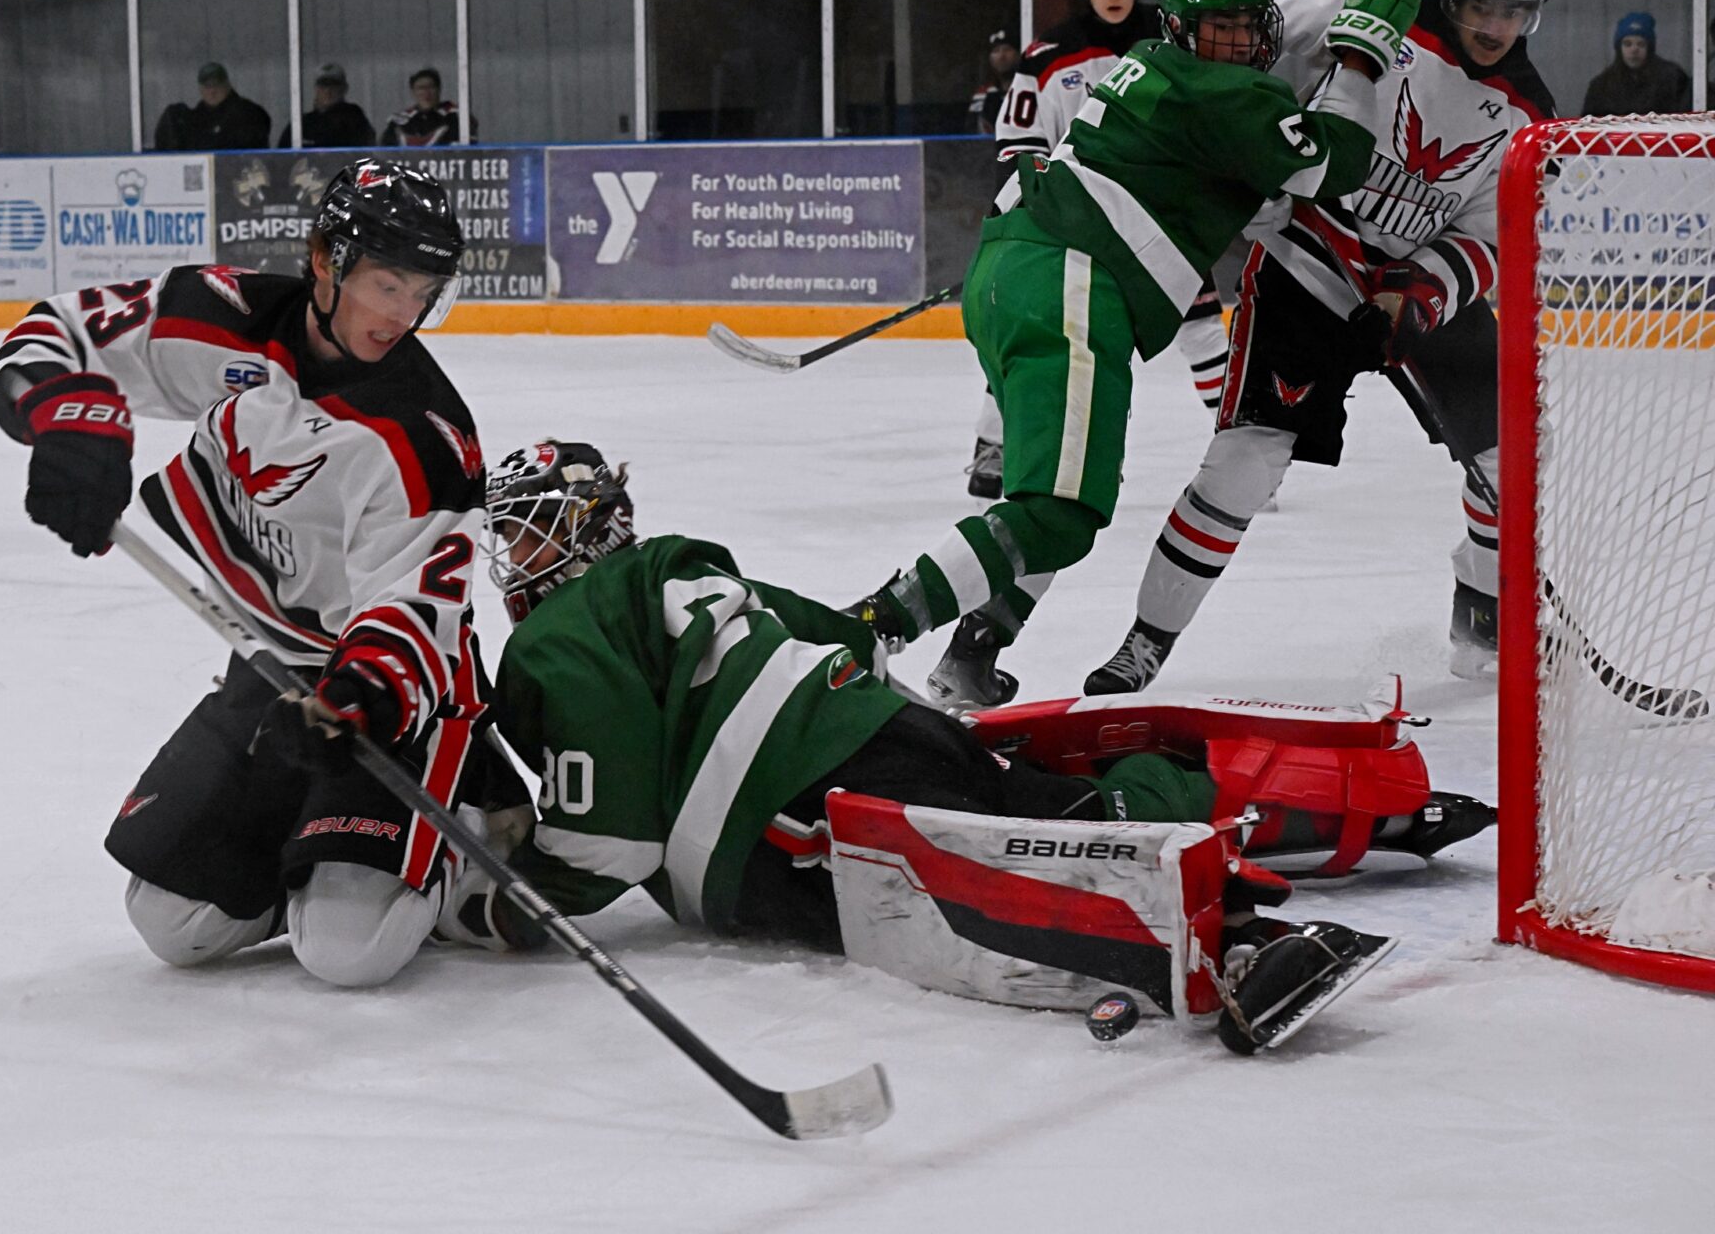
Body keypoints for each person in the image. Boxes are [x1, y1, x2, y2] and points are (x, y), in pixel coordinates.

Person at [446, 439, 1488, 1047]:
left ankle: (1247, 944)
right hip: (865, 720)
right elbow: (837, 632)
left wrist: (505, 897)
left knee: (1011, 883)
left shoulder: (553, 636)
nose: (513, 553)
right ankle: (1347, 812)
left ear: (585, 527)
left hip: (783, 814)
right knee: (1046, 808)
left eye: (530, 526)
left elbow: (613, 838)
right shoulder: (682, 563)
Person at [0, 159, 523, 989]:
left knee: (347, 950)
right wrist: (68, 415)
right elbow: (59, 329)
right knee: (174, 924)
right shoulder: (222, 316)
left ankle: (464, 816)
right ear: (326, 262)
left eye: (422, 293)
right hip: (267, 669)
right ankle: (316, 846)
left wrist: (357, 697)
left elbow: (420, 603)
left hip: (385, 693)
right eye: (386, 284)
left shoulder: (426, 432)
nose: (402, 315)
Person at [845, 0, 1418, 709]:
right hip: (1070, 281)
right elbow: (1333, 162)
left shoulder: (1157, 68)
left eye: (1249, 23)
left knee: (1066, 489)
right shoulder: (1220, 93)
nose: (1241, 40)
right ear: (1182, 28)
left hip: (1021, 272)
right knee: (1060, 511)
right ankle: (865, 631)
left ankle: (971, 655)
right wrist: (1362, 55)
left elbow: (1228, 182)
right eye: (1221, 27)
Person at [1085, 0, 1559, 697]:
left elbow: (1489, 240)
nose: (1496, 29)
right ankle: (1144, 644)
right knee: (1245, 462)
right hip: (1307, 264)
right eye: (1482, 7)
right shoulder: (1374, 1)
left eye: (1515, 14)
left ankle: (1482, 620)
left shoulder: (1526, 117)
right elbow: (1245, 18)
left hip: (1410, 291)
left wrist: (1418, 297)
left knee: (1513, 450)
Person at [964, 0, 1227, 501]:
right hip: (1078, 219)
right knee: (1034, 323)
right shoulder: (1049, 52)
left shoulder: (1173, 37)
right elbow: (1018, 140)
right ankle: (995, 442)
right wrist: (1035, 202)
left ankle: (1236, 443)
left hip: (1157, 220)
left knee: (1202, 326)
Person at [1582, 11, 1692, 116]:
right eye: (1627, 44)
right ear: (1619, 48)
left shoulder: (1672, 79)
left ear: (1650, 48)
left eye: (1641, 44)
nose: (1634, 50)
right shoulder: (1602, 86)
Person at [155, 62, 271, 152]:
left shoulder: (248, 113)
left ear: (227, 85)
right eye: (207, 86)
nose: (212, 91)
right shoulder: (194, 119)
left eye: (216, 84)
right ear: (200, 89)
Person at [277, 62, 377, 149]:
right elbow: (283, 159)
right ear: (316, 89)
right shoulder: (303, 123)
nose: (328, 91)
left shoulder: (354, 119)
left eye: (334, 85)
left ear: (344, 88)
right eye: (323, 85)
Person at [379, 68, 473, 147]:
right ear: (413, 92)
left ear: (439, 89)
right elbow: (385, 149)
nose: (426, 93)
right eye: (421, 88)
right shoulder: (400, 121)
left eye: (431, 87)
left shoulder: (456, 117)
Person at [967, 29, 1020, 136]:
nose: (1001, 56)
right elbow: (971, 134)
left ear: (1018, 54)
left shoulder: (1029, 89)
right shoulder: (982, 94)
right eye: (996, 51)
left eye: (1007, 49)